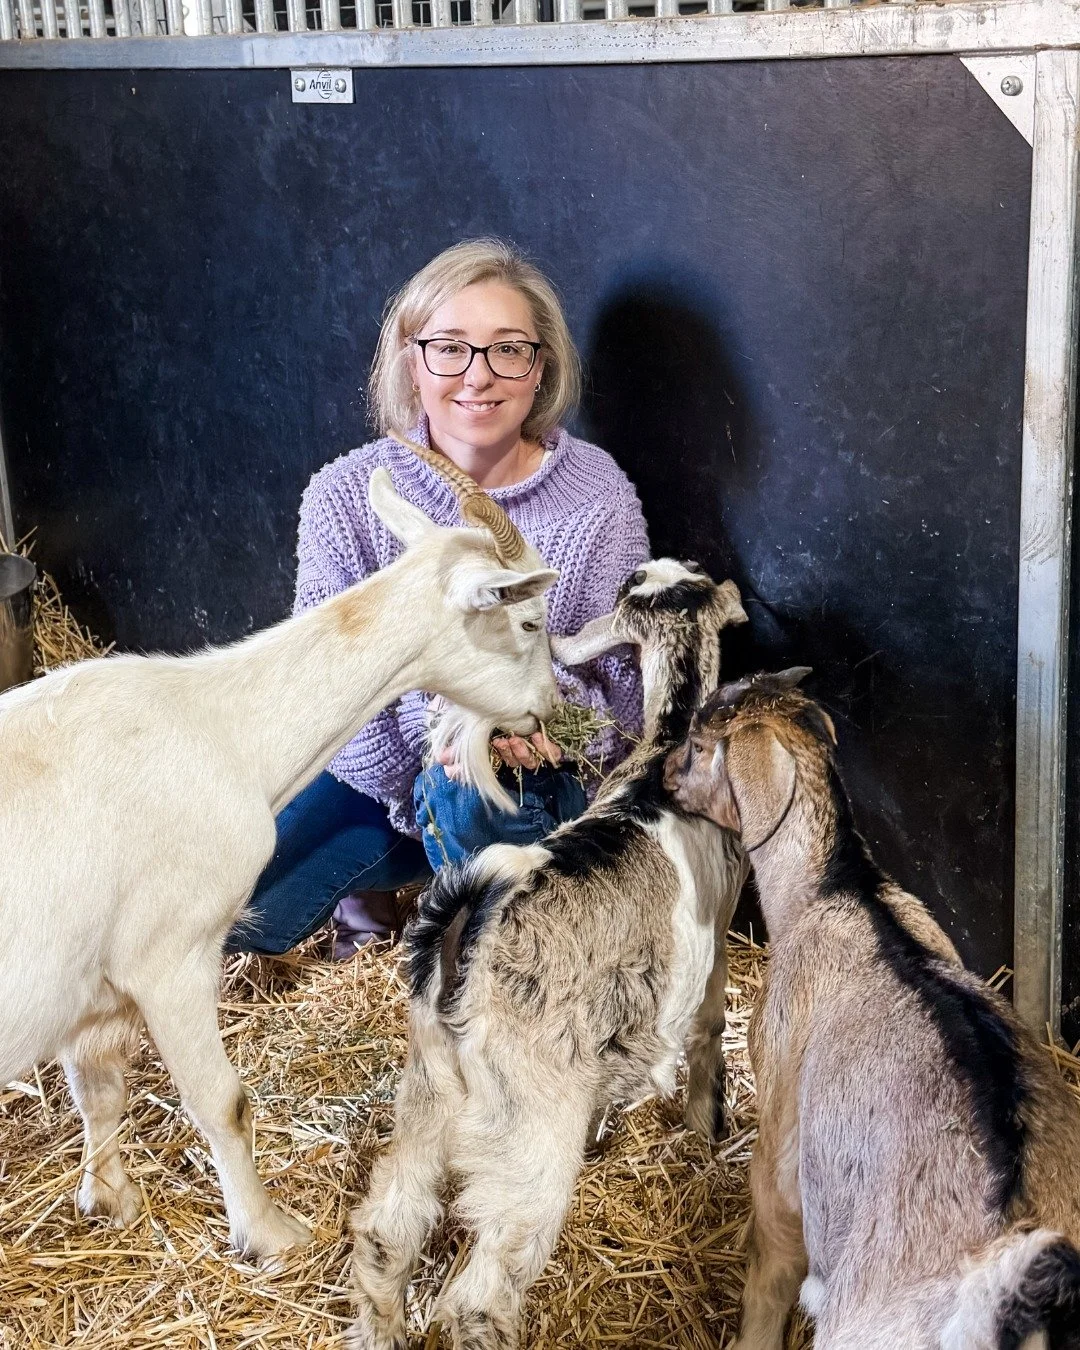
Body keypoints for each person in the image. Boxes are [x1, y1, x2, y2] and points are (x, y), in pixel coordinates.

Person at [230, 238, 650, 960]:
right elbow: (320, 684)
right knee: (241, 916)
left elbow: (629, 692)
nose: (478, 377)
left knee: (477, 791)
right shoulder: (346, 495)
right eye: (450, 347)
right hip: (378, 773)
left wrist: (529, 727)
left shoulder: (598, 498)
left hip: (529, 779)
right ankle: (386, 882)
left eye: (507, 350)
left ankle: (484, 948)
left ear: (539, 365)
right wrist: (450, 724)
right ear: (410, 358)